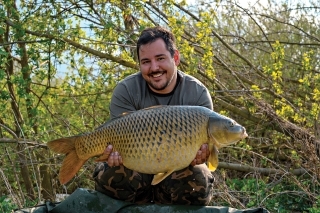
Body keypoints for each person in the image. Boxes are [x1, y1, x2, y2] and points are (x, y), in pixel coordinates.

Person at [93, 26, 214, 205]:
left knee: (200, 177)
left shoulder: (197, 93)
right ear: (140, 64)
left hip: (176, 171)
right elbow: (115, 136)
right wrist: (112, 154)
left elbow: (207, 153)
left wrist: (204, 155)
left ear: (176, 58)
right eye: (146, 62)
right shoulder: (126, 90)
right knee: (110, 173)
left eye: (160, 58)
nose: (154, 68)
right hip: (135, 166)